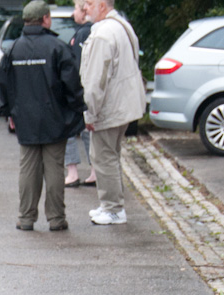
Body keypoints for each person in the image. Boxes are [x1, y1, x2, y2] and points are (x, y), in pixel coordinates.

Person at [0, 0, 84, 232]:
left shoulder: (13, 49)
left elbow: (2, 84)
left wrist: (8, 112)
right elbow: (72, 84)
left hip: (24, 118)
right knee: (54, 168)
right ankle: (56, 218)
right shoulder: (57, 47)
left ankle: (26, 217)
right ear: (45, 19)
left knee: (28, 168)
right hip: (55, 117)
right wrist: (76, 109)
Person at [80, 0, 146, 225]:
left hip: (110, 106)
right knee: (111, 155)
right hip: (124, 104)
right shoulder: (122, 26)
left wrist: (89, 113)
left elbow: (96, 79)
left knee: (103, 157)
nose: (84, 8)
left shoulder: (103, 34)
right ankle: (110, 204)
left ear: (101, 4)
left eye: (88, 3)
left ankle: (113, 208)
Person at [65, 0, 95, 187]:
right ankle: (94, 170)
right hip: (87, 89)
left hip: (79, 89)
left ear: (84, 11)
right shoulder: (92, 31)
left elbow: (77, 65)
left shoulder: (84, 33)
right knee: (87, 131)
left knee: (69, 129)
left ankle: (72, 171)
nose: (74, 12)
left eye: (76, 8)